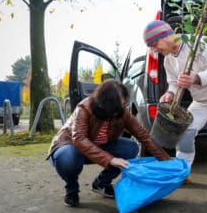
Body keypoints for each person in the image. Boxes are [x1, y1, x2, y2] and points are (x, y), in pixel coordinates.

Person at [143, 20, 207, 210]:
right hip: (203, 98)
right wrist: (170, 92)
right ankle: (184, 171)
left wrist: (196, 78)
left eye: (155, 45)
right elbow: (174, 81)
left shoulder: (199, 43)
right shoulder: (168, 60)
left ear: (166, 36)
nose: (155, 50)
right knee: (185, 130)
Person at [47, 79, 170, 207]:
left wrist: (167, 161)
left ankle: (101, 183)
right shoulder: (84, 108)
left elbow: (143, 136)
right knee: (68, 158)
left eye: (123, 103)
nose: (122, 107)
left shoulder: (122, 112)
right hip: (71, 146)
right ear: (106, 102)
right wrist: (111, 159)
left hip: (98, 147)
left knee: (131, 148)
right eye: (119, 103)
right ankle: (71, 190)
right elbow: (79, 139)